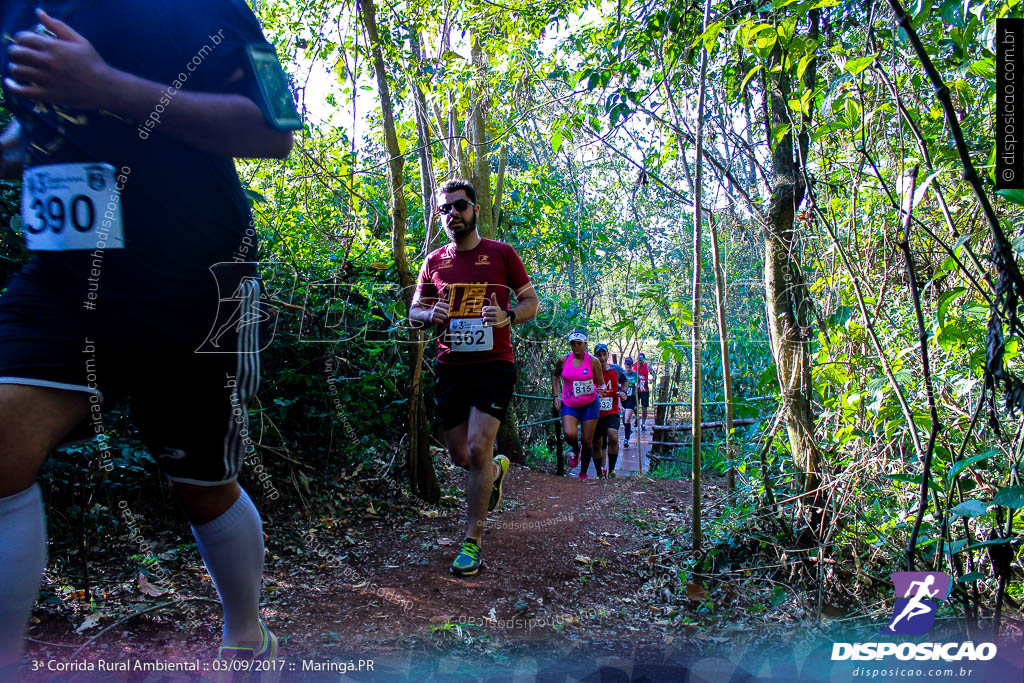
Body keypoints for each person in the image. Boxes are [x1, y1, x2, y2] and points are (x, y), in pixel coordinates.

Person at [0, 1, 297, 673]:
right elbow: (45, 131)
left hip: (194, 281)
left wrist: (105, 84)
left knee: (201, 483)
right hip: (65, 280)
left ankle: (247, 634)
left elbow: (275, 129)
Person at [409, 179, 539, 577]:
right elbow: (415, 310)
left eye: (460, 206)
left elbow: (531, 301)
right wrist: (430, 315)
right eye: (446, 209)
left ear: (475, 210)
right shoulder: (434, 262)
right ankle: (497, 471)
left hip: (494, 365)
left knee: (479, 447)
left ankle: (472, 541)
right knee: (461, 455)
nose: (453, 214)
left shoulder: (502, 254)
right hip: (451, 367)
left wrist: (508, 316)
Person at [552, 331, 604, 479]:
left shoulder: (593, 361)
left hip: (590, 404)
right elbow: (555, 377)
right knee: (569, 434)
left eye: (579, 343)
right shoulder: (563, 360)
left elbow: (602, 383)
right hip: (570, 404)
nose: (576, 346)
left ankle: (583, 472)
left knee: (587, 440)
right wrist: (556, 396)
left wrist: (602, 389)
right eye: (572, 343)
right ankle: (576, 448)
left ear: (585, 344)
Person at [594, 344, 626, 477]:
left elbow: (625, 381)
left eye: (604, 354)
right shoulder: (591, 369)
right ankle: (599, 472)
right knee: (597, 442)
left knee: (613, 436)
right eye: (599, 355)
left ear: (607, 355)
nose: (602, 358)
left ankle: (612, 470)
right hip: (594, 412)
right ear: (595, 356)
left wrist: (623, 392)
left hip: (611, 411)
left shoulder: (616, 369)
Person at [621, 357, 638, 448]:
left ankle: (626, 439)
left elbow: (640, 383)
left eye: (630, 364)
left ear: (632, 365)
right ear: (625, 365)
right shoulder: (621, 374)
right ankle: (629, 430)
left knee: (627, 418)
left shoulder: (635, 375)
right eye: (627, 364)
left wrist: (638, 385)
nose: (628, 366)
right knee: (624, 420)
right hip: (622, 399)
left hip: (631, 398)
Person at [636, 352, 655, 430]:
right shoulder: (635, 365)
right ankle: (637, 420)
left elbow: (654, 374)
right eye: (639, 360)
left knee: (644, 408)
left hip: (644, 390)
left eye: (642, 360)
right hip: (636, 390)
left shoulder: (648, 366)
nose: (640, 361)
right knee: (635, 407)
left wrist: (652, 379)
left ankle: (643, 423)